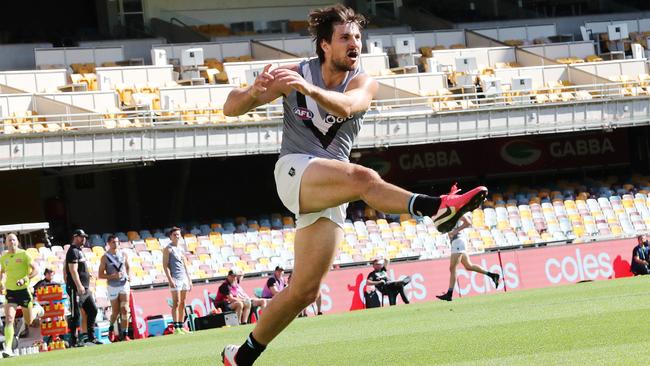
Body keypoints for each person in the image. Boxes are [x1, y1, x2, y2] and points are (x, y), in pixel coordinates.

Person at [220, 4, 487, 365]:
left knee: (304, 290)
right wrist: (254, 92)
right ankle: (435, 208)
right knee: (363, 177)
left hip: (332, 185)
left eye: (358, 37)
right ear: (325, 46)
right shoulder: (294, 73)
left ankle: (243, 355)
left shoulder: (363, 81)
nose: (354, 43)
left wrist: (307, 89)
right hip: (293, 171)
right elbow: (230, 108)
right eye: (345, 37)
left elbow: (348, 106)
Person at [436, 215, 500, 301]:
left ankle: (449, 294)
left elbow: (468, 222)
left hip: (458, 241)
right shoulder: (448, 213)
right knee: (468, 266)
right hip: (456, 241)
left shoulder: (457, 211)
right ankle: (492, 275)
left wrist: (455, 231)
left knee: (453, 268)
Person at [0, 233, 38, 358]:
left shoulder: (24, 254)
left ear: (18, 242)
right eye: (9, 240)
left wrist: (25, 279)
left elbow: (36, 270)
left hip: (24, 291)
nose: (11, 242)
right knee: (9, 318)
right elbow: (2, 272)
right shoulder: (3, 257)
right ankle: (8, 349)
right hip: (11, 292)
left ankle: (37, 309)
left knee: (29, 321)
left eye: (13, 240)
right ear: (6, 243)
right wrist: (1, 284)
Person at [65, 229, 101, 346]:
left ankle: (91, 337)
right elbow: (73, 270)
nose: (84, 239)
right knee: (75, 314)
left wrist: (87, 274)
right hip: (76, 289)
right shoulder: (72, 251)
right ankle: (74, 340)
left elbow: (79, 268)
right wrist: (79, 285)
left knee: (93, 310)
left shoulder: (79, 251)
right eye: (81, 237)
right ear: (75, 237)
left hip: (85, 289)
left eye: (84, 237)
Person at [98, 235, 132, 342]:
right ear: (108, 243)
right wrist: (113, 276)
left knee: (125, 309)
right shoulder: (105, 257)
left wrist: (129, 275)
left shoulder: (123, 254)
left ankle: (124, 334)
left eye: (117, 242)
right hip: (112, 286)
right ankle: (111, 327)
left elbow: (127, 266)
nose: (115, 244)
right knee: (116, 312)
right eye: (113, 242)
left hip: (123, 284)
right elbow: (100, 275)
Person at [162, 227, 192, 335]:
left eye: (178, 234)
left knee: (183, 303)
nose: (177, 236)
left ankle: (181, 325)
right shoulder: (168, 249)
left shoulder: (181, 248)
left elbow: (185, 265)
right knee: (176, 302)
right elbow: (165, 266)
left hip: (183, 278)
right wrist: (170, 279)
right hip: (175, 278)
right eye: (175, 235)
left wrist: (189, 279)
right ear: (170, 236)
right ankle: (176, 327)